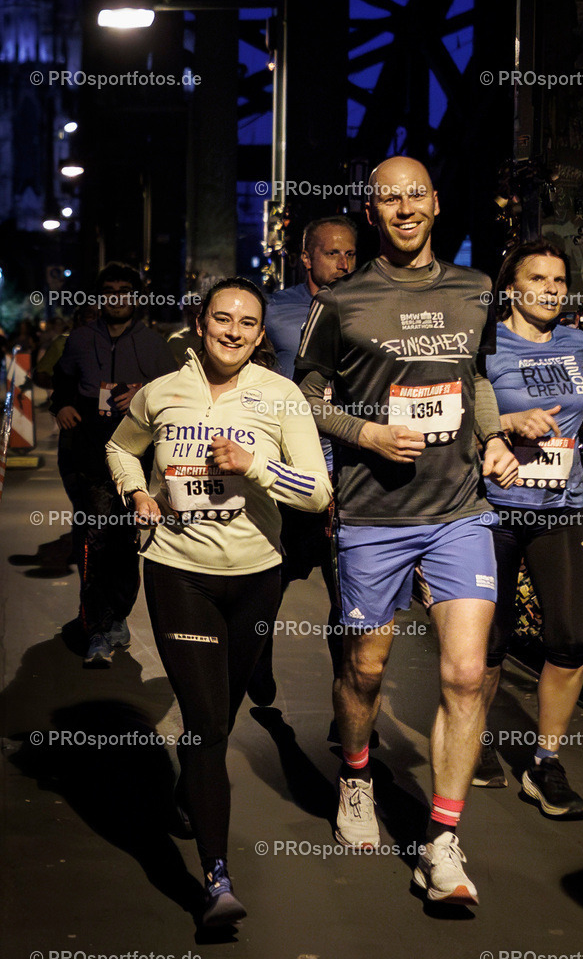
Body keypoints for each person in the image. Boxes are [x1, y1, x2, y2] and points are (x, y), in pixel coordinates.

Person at [295, 156, 518, 905]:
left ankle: (442, 843)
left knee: (463, 673)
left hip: (459, 510)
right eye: (386, 198)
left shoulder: (474, 288)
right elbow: (308, 397)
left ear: (434, 202)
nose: (402, 207)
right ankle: (355, 776)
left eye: (413, 193)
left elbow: (479, 377)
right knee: (363, 670)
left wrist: (490, 438)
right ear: (371, 213)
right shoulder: (342, 300)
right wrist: (365, 436)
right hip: (373, 516)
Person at [106, 277, 332, 928]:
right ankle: (215, 880)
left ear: (260, 335)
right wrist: (138, 494)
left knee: (219, 720)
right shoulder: (162, 393)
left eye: (247, 323)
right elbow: (122, 447)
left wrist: (252, 465)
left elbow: (316, 493)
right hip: (179, 575)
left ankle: (188, 787)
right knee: (206, 724)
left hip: (256, 578)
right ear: (200, 324)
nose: (233, 331)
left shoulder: (280, 395)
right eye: (222, 319)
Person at [474, 239, 583, 816]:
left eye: (560, 281)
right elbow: (464, 415)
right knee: (489, 639)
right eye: (538, 278)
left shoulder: (574, 341)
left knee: (569, 640)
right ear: (512, 287)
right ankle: (474, 735)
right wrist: (508, 422)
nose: (552, 290)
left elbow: (573, 399)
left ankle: (545, 762)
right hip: (495, 508)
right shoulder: (486, 345)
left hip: (562, 506)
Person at [247, 215, 358, 708]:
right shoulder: (275, 310)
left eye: (351, 253)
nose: (344, 262)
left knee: (351, 602)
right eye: (332, 253)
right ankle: (259, 651)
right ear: (307, 257)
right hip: (291, 471)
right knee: (273, 581)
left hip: (351, 472)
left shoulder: (368, 305)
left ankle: (349, 704)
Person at [50, 263, 177, 666]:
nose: (118, 297)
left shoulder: (156, 345)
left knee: (124, 546)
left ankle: (116, 614)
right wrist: (64, 404)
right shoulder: (81, 340)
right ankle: (96, 629)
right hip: (89, 458)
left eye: (126, 290)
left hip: (136, 464)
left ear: (137, 297)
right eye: (110, 290)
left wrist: (143, 393)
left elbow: (174, 399)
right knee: (93, 541)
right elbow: (62, 380)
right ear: (100, 296)